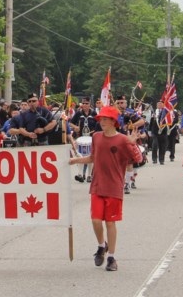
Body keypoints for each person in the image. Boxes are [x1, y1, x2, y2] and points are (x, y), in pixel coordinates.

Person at [68, 105, 142, 272]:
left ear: (114, 121)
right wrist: (75, 161)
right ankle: (102, 245)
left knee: (110, 222)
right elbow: (93, 157)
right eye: (101, 119)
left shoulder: (123, 139)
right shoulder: (96, 137)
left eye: (105, 119)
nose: (102, 122)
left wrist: (132, 144)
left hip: (114, 187)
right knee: (95, 220)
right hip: (97, 185)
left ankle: (111, 257)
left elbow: (138, 158)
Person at [114, 95, 145, 192]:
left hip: (128, 141)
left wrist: (131, 126)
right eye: (118, 102)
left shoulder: (130, 113)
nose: (120, 104)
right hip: (115, 141)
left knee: (128, 163)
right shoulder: (113, 113)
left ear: (126, 103)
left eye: (122, 102)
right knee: (116, 164)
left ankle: (127, 184)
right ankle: (118, 183)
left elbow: (142, 121)